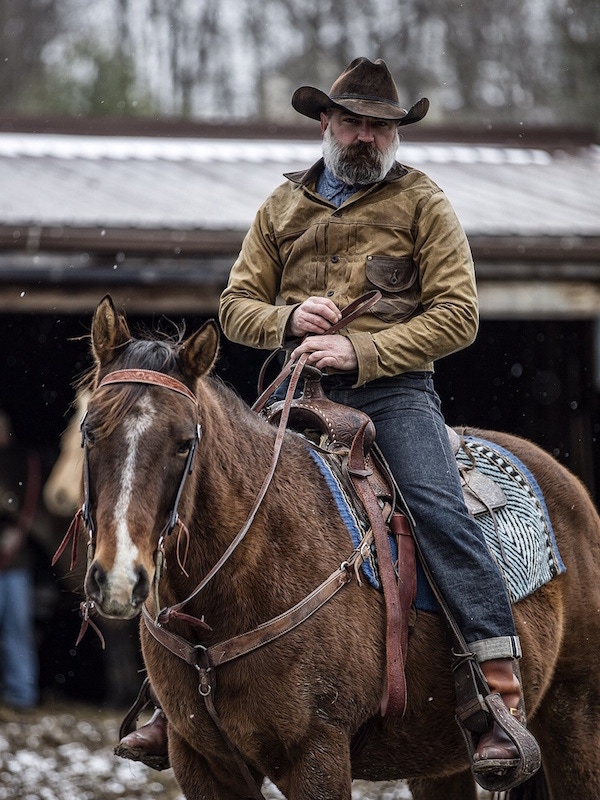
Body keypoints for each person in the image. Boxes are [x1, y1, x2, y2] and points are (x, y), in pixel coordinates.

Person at [118, 57, 538, 787]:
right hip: (289, 394)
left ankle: (494, 693)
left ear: (394, 134)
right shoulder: (280, 208)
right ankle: (170, 696)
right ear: (327, 123)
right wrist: (286, 317)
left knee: (441, 512)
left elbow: (459, 316)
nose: (367, 137)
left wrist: (361, 347)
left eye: (381, 126)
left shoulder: (423, 203)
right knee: (201, 499)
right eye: (354, 122)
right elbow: (235, 308)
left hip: (394, 395)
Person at [0, 411, 40, 711]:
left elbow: (28, 507)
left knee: (17, 631)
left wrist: (15, 533)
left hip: (16, 564)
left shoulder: (22, 460)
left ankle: (22, 695)